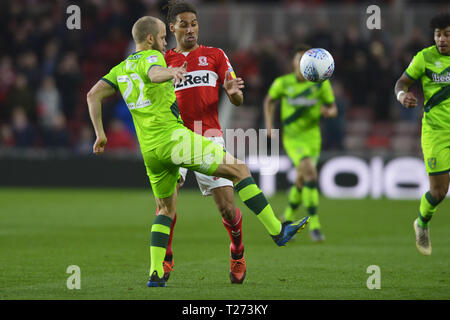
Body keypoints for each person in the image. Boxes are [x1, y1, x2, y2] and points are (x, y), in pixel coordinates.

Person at [86, 16, 310, 288]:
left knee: (166, 210)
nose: (164, 40)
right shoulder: (154, 58)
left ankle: (155, 273)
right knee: (240, 169)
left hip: (150, 151)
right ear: (150, 38)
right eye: (161, 35)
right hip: (176, 140)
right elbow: (154, 73)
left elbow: (92, 95)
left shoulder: (120, 68)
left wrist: (100, 133)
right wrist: (171, 72)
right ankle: (278, 230)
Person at [162, 1, 247, 284]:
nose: (190, 29)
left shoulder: (215, 55)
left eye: (194, 23)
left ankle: (237, 249)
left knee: (226, 208)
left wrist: (233, 93)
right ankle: (165, 258)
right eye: (184, 24)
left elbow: (237, 96)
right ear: (172, 28)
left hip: (208, 135)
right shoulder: (162, 61)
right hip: (174, 136)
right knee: (167, 202)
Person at [264, 44, 337, 243]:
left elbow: (332, 109)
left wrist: (328, 112)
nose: (302, 64)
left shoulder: (321, 84)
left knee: (301, 179)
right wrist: (269, 125)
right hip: (293, 138)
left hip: (313, 137)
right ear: (295, 63)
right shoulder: (283, 82)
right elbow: (269, 100)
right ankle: (315, 225)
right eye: (299, 60)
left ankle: (287, 217)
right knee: (310, 173)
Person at [394, 12, 450, 256]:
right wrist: (402, 96)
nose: (441, 39)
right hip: (436, 131)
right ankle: (422, 223)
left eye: (447, 34)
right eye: (438, 35)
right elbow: (401, 83)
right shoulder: (424, 58)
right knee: (439, 192)